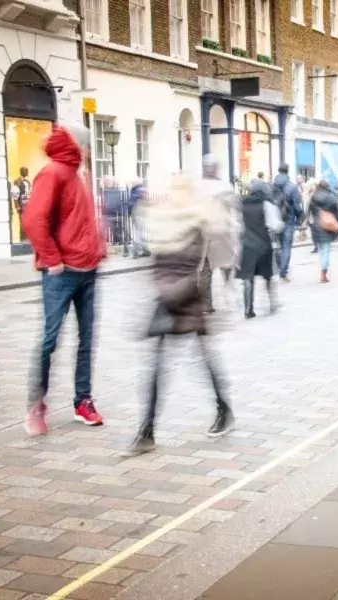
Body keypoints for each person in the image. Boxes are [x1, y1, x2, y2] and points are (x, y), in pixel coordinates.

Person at [122, 176, 234, 457]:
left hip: (188, 298)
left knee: (204, 361)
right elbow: (157, 264)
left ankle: (224, 409)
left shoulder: (199, 224)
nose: (176, 195)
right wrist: (163, 290)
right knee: (157, 368)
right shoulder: (164, 223)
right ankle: (146, 431)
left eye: (181, 190)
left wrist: (173, 292)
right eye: (173, 190)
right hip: (167, 298)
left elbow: (201, 269)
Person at [22, 123, 106, 436]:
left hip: (88, 270)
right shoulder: (54, 172)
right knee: (50, 339)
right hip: (62, 273)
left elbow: (79, 219)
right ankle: (36, 403)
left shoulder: (77, 174)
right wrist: (53, 260)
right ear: (77, 146)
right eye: (85, 146)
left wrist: (98, 247)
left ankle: (83, 400)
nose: (87, 152)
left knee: (87, 339)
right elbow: (33, 219)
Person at [198, 155, 241, 313]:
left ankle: (207, 303)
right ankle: (228, 289)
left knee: (205, 270)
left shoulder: (197, 187)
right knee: (227, 264)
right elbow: (235, 207)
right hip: (222, 232)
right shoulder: (225, 186)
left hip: (204, 233)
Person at [238, 178, 278, 318]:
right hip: (263, 244)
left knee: (247, 278)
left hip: (248, 245)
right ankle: (272, 302)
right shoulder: (266, 204)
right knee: (267, 275)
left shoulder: (242, 204)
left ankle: (248, 308)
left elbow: (238, 225)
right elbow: (274, 225)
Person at [307, 180, 338, 283]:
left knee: (321, 250)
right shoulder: (332, 198)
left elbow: (309, 211)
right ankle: (323, 273)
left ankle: (323, 270)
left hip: (316, 225)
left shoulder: (313, 197)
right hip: (328, 226)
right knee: (326, 250)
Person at [272, 164, 305, 282]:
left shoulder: (272, 185)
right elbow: (297, 205)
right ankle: (283, 273)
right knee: (286, 246)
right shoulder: (292, 187)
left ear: (278, 171)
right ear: (288, 171)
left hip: (275, 219)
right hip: (288, 219)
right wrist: (300, 217)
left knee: (278, 246)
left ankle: (281, 267)